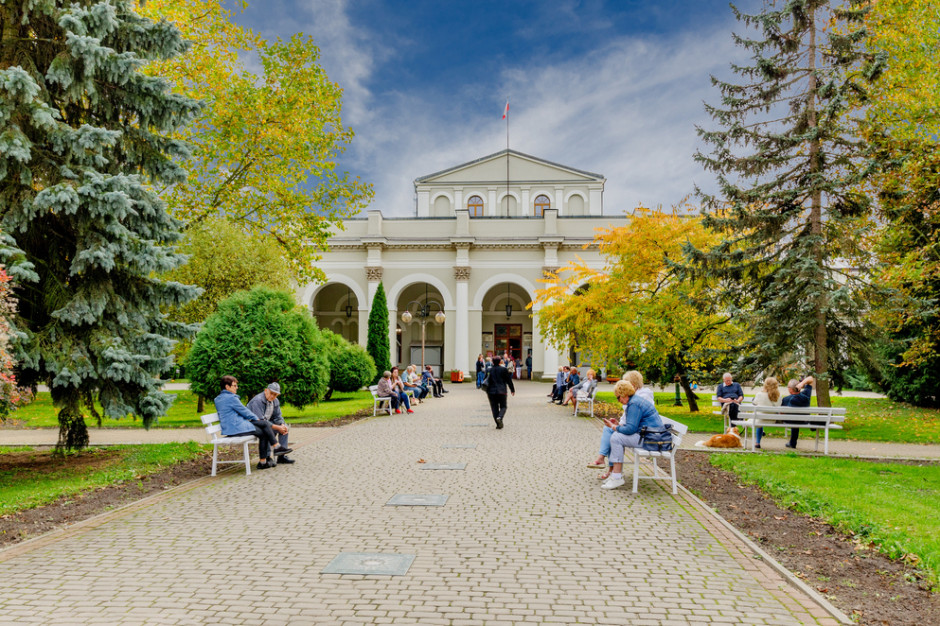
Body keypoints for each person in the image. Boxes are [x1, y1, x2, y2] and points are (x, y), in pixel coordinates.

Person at [214, 375, 291, 470]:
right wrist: (256, 419)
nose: (237, 387)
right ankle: (276, 446)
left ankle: (263, 462)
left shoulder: (219, 398)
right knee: (265, 424)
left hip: (234, 426)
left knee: (263, 431)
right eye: (234, 385)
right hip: (235, 428)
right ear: (227, 387)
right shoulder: (231, 398)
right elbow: (244, 411)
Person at [601, 379, 665, 490]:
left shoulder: (634, 404)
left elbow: (631, 429)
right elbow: (632, 426)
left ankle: (616, 477)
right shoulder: (635, 401)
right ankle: (616, 475)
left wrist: (613, 427)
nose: (618, 400)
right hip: (651, 436)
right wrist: (617, 425)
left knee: (616, 438)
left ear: (624, 394)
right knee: (616, 436)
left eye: (618, 397)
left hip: (651, 439)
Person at [589, 370, 651, 476]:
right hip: (639, 432)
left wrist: (615, 426)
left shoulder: (639, 399)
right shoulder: (634, 398)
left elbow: (632, 425)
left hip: (643, 436)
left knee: (615, 436)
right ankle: (609, 466)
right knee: (609, 430)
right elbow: (630, 421)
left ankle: (613, 471)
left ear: (633, 385)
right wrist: (617, 424)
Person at [247, 382, 294, 464]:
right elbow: (260, 421)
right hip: (253, 425)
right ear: (266, 391)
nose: (273, 396)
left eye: (275, 395)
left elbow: (278, 416)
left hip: (265, 423)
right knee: (268, 430)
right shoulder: (257, 401)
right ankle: (268, 457)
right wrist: (277, 427)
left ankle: (281, 456)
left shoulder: (275, 401)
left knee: (284, 429)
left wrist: (282, 425)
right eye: (271, 393)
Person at [781, 375, 815, 449]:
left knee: (794, 419)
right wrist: (802, 383)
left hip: (791, 421)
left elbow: (781, 413)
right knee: (796, 418)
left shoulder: (786, 399)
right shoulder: (806, 394)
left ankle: (792, 443)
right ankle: (792, 442)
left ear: (790, 389)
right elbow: (811, 379)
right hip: (805, 420)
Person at [752, 377, 782, 449]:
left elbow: (754, 403)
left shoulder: (760, 394)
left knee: (758, 418)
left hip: (761, 419)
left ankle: (757, 442)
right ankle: (760, 436)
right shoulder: (779, 396)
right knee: (760, 418)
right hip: (772, 420)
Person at [485, 355, 515, 429]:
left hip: (491, 392)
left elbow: (485, 380)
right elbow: (508, 380)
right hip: (502, 391)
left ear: (492, 362)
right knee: (503, 406)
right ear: (500, 362)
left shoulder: (489, 370)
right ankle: (500, 417)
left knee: (494, 408)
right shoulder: (503, 369)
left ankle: (498, 423)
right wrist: (512, 389)